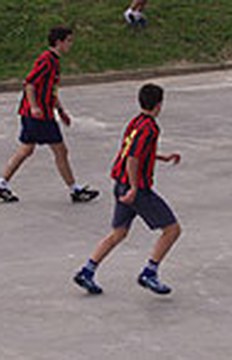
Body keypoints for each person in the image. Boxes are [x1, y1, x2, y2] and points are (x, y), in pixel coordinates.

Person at [73, 84, 182, 295]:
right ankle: (149, 273)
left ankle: (87, 271)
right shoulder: (150, 128)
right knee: (172, 230)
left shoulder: (135, 122)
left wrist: (162, 157)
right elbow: (132, 158)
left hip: (120, 185)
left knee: (118, 233)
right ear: (159, 105)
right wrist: (134, 188)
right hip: (136, 190)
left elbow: (134, 151)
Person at [0, 26, 99, 203]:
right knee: (60, 151)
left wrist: (61, 111)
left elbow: (51, 91)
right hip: (39, 116)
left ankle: (2, 184)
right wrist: (34, 107)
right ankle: (75, 190)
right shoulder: (47, 60)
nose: (71, 44)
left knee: (26, 150)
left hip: (40, 114)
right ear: (59, 42)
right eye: (69, 41)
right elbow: (29, 83)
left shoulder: (54, 61)